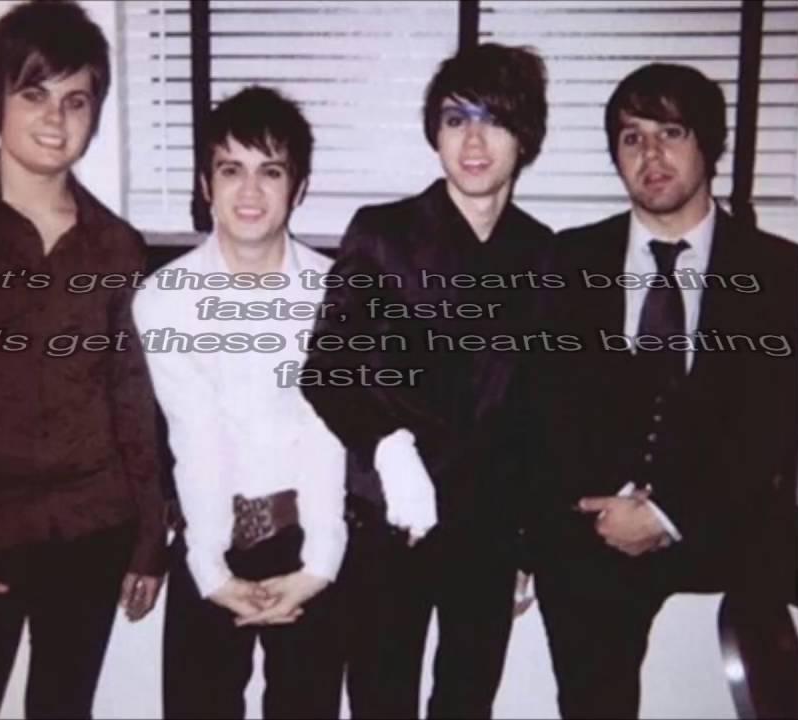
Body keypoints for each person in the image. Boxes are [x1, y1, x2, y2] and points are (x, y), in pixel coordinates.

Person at [0, 2, 166, 716]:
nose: (55, 118)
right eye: (34, 93)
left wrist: (148, 537)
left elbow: (131, 399)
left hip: (91, 531)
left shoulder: (116, 246)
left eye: (76, 100)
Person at [523, 62, 798, 718]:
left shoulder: (779, 272)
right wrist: (592, 513)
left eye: (670, 132)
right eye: (632, 138)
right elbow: (540, 410)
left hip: (726, 517)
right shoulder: (569, 261)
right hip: (596, 526)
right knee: (590, 669)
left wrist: (669, 513)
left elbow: (771, 424)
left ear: (709, 144)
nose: (651, 154)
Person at [300, 43, 554, 719]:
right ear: (434, 132)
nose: (472, 141)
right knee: (380, 702)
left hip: (488, 533)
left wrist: (527, 541)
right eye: (455, 119)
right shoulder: (382, 234)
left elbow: (538, 411)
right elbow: (327, 369)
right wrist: (389, 448)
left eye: (494, 120)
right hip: (392, 520)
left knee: (467, 702)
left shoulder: (541, 252)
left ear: (525, 136)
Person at [134, 85, 348, 720]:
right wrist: (209, 569)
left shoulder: (336, 293)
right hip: (207, 531)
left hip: (312, 531)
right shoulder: (164, 299)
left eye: (270, 171)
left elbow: (326, 430)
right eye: (231, 170)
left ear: (298, 187)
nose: (250, 191)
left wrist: (320, 565)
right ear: (206, 184)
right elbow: (194, 434)